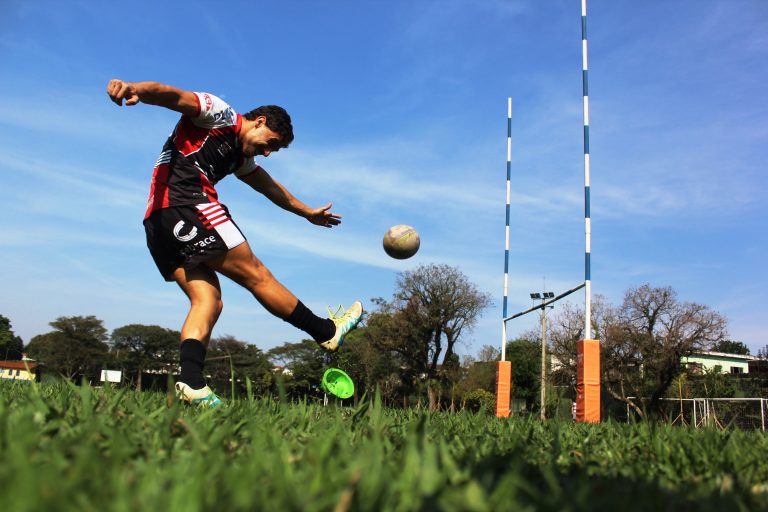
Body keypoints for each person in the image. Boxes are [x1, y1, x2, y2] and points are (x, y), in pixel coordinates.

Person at [106, 79, 362, 407]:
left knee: (208, 300)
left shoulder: (240, 158)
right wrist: (136, 89)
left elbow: (269, 187)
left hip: (157, 223)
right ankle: (327, 332)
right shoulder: (219, 114)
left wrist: (307, 212)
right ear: (260, 122)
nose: (268, 152)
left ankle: (191, 383)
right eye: (271, 143)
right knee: (257, 274)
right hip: (188, 205)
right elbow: (175, 96)